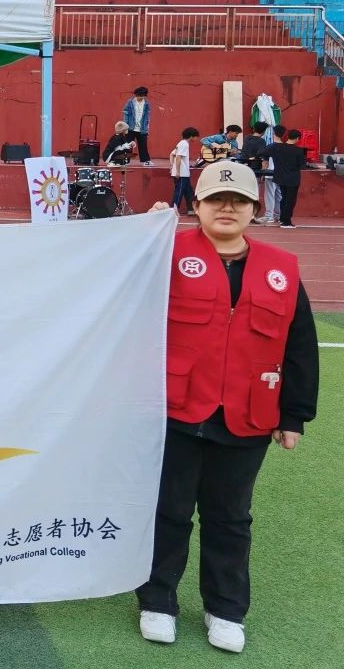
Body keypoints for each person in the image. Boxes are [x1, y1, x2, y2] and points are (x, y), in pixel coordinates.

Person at [139, 162, 318, 654]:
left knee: (230, 518)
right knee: (169, 512)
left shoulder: (282, 269)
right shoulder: (164, 253)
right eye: (216, 199)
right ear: (195, 205)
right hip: (175, 412)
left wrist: (294, 415)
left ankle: (225, 609)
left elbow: (300, 346)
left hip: (247, 415)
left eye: (239, 200)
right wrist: (143, 235)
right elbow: (116, 291)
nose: (227, 208)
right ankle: (157, 601)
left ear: (254, 209)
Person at [258, 128, 310, 229]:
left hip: (280, 177)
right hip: (293, 178)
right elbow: (302, 166)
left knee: (283, 198)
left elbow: (261, 152)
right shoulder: (299, 151)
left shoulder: (276, 147)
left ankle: (282, 218)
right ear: (297, 138)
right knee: (290, 200)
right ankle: (286, 222)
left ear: (288, 136)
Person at [256, 126, 285, 224]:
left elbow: (265, 161)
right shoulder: (285, 147)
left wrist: (263, 174)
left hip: (270, 173)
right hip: (281, 174)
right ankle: (279, 215)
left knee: (269, 195)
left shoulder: (270, 147)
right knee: (279, 195)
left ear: (273, 133)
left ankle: (269, 216)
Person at [169, 128, 201, 216]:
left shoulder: (181, 143)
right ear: (191, 136)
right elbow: (178, 157)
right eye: (196, 136)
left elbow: (171, 154)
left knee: (189, 192)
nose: (197, 138)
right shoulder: (184, 144)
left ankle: (191, 210)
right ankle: (172, 211)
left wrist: (172, 166)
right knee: (179, 192)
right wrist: (177, 171)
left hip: (184, 173)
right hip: (182, 174)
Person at [122, 86, 153, 165]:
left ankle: (146, 161)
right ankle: (125, 160)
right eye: (139, 96)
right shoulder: (130, 102)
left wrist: (147, 128)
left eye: (142, 96)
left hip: (142, 128)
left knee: (143, 145)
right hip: (130, 127)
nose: (140, 98)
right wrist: (125, 126)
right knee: (128, 145)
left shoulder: (147, 104)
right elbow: (126, 113)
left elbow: (147, 117)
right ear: (136, 95)